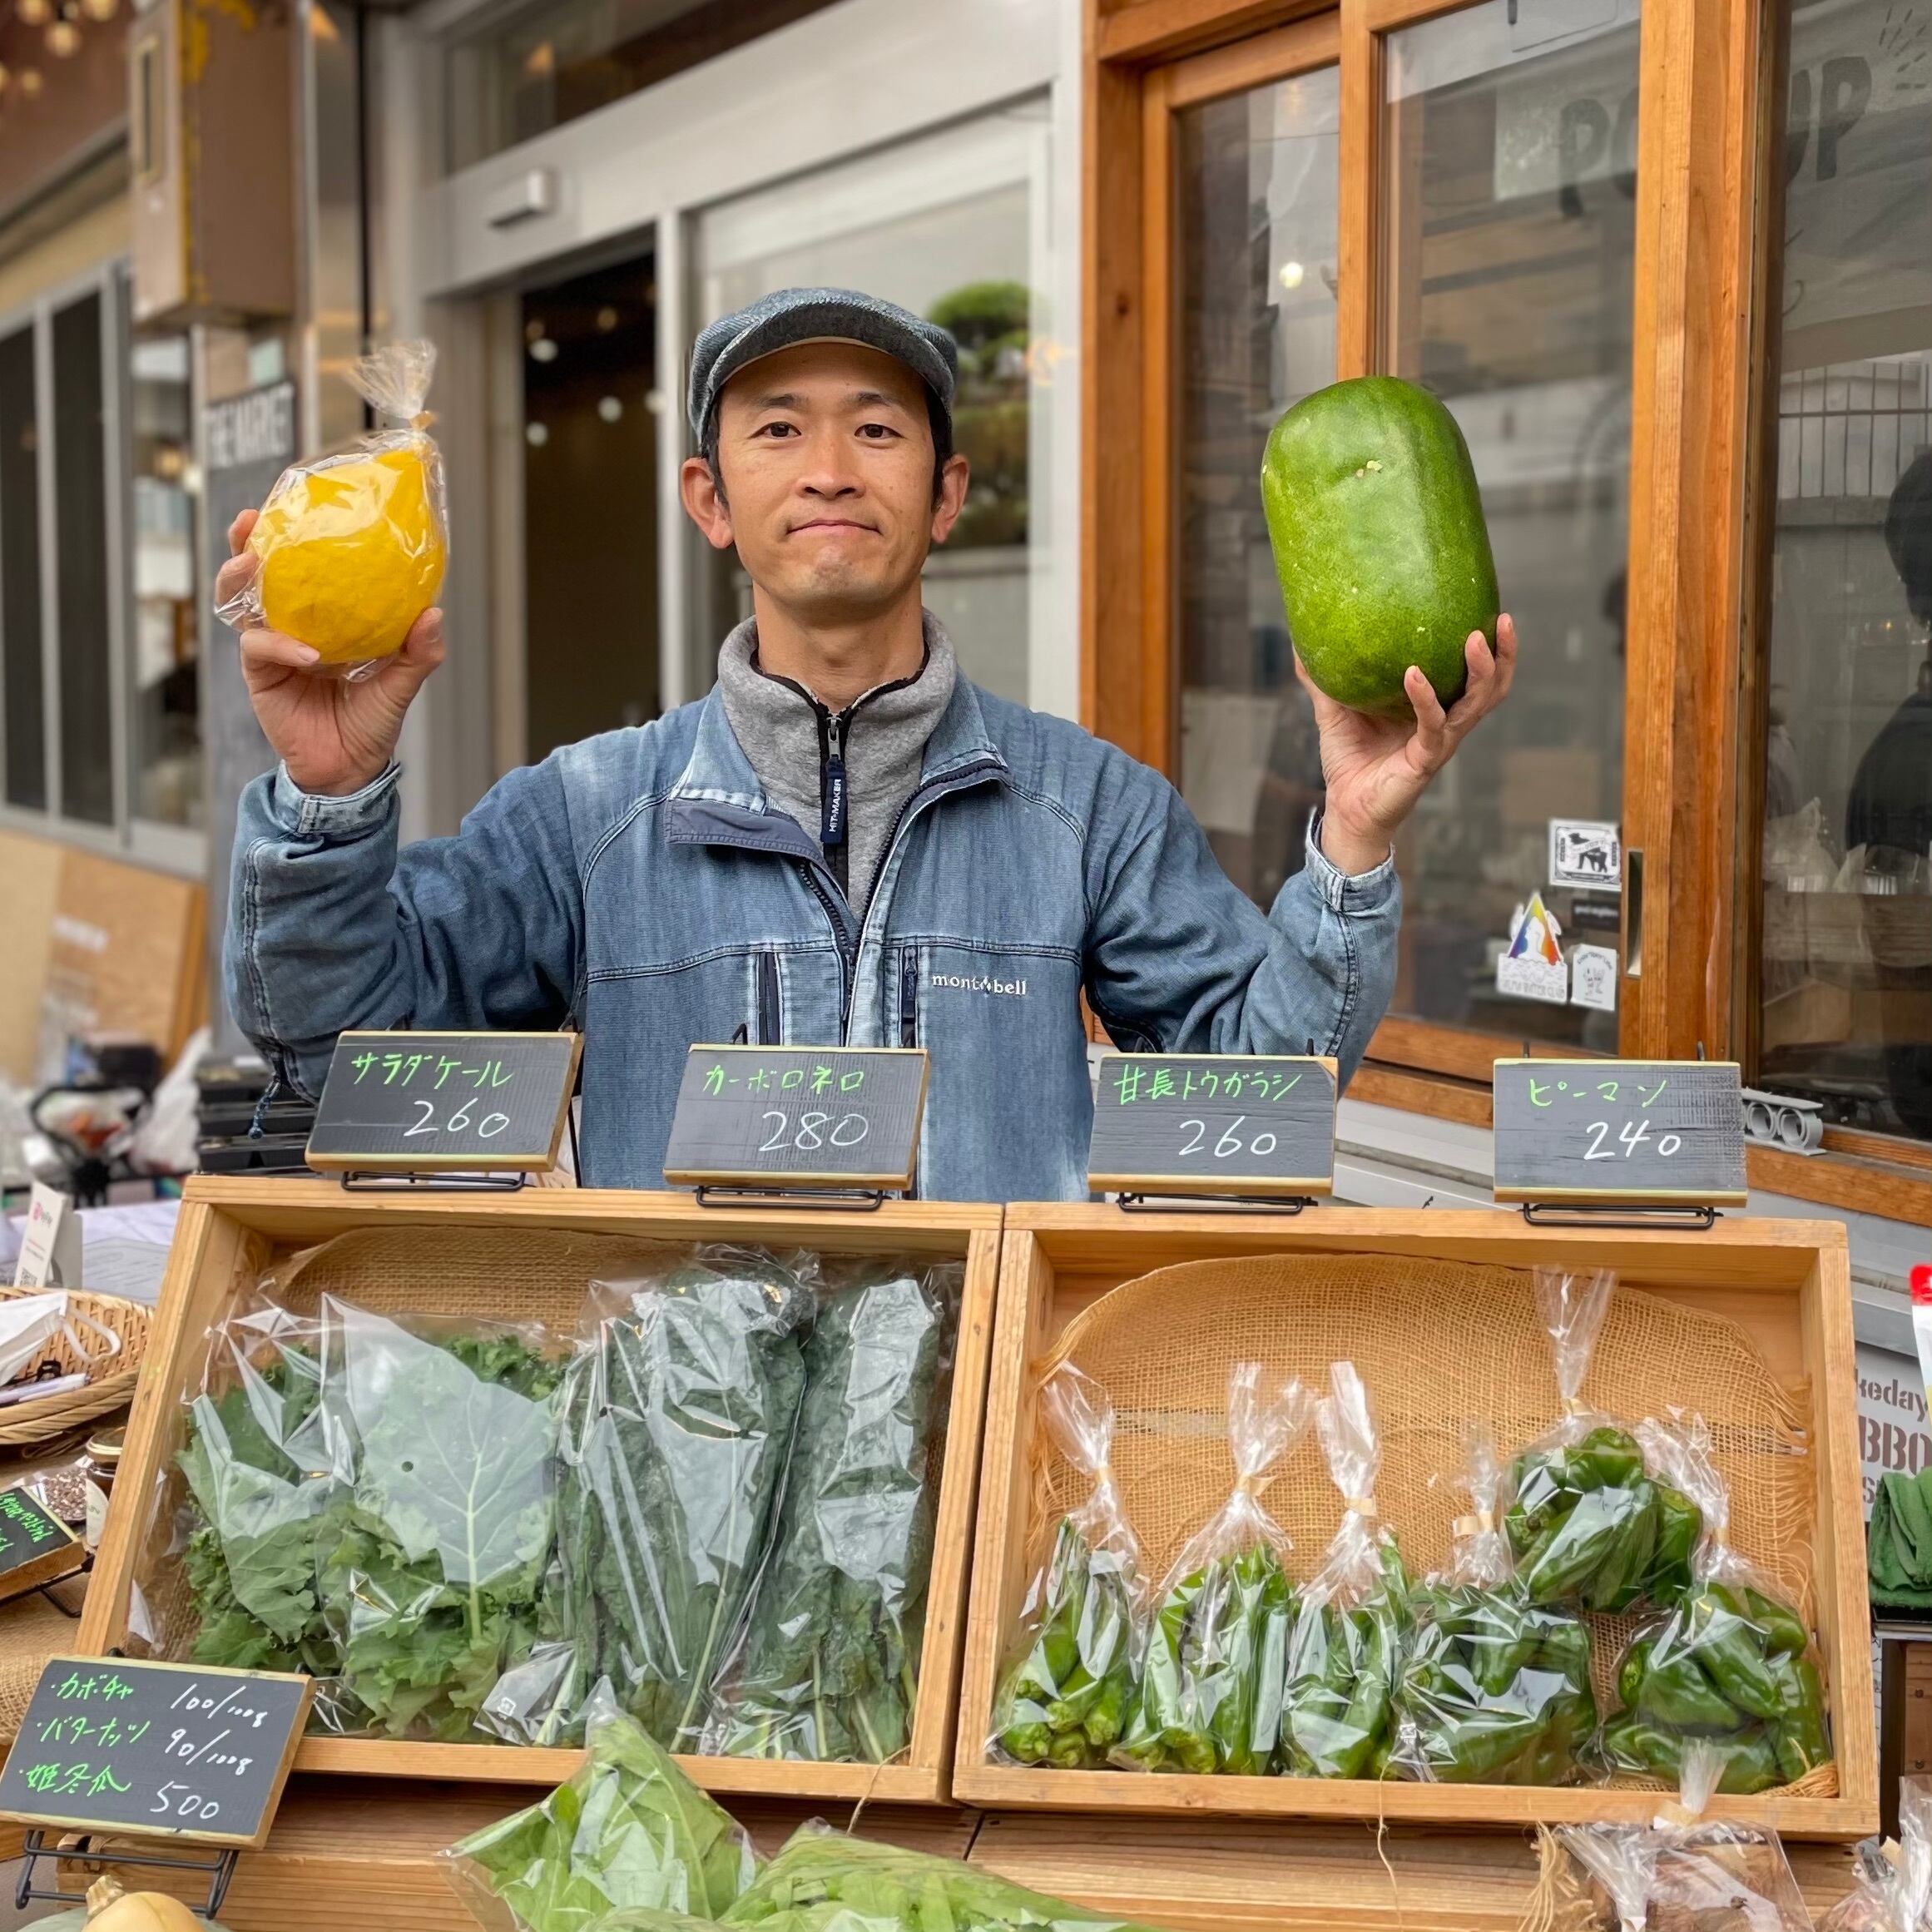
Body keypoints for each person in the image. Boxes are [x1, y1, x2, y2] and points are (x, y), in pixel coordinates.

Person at [218, 288, 1515, 1201]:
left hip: (987, 1447)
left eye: (878, 428)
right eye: (778, 427)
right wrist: (326, 798)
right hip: (685, 1473)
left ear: (945, 496)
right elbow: (344, 1057)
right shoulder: (585, 813)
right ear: (709, 499)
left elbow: (1255, 1101)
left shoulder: (1087, 808)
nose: (830, 467)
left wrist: (1353, 841)